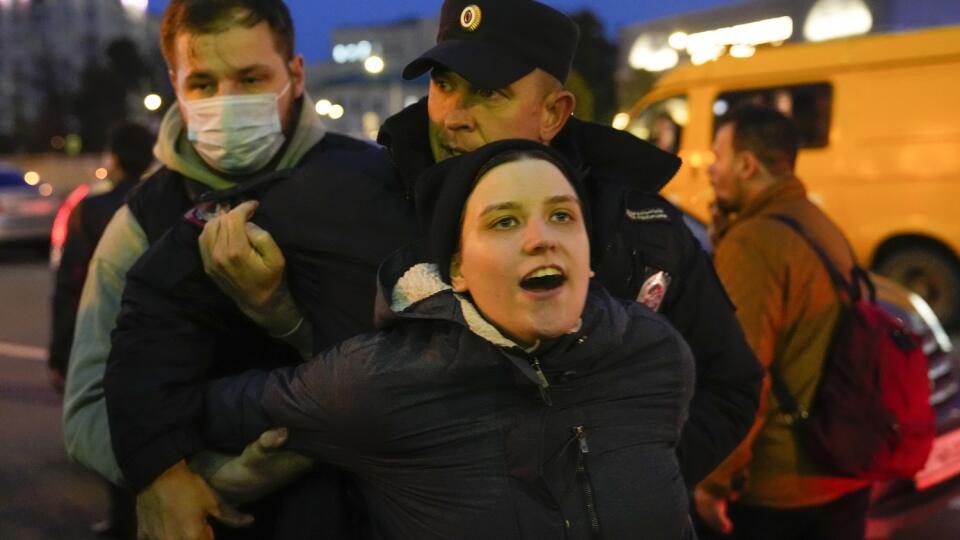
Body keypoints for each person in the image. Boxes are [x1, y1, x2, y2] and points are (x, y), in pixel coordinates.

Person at [104, 0, 761, 536]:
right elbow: (161, 297)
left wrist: (617, 479)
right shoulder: (343, 189)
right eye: (446, 84)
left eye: (491, 93)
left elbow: (729, 384)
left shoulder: (638, 230)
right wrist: (159, 469)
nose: (455, 116)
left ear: (555, 112)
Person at [203, 139, 697, 539]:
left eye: (563, 216)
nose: (541, 238)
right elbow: (216, 409)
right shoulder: (380, 380)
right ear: (457, 268)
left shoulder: (654, 353)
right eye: (504, 221)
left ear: (587, 254)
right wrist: (166, 477)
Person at [62, 1, 414, 538]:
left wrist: (281, 316)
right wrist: (190, 476)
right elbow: (87, 408)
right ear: (174, 84)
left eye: (251, 78)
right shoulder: (140, 220)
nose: (226, 103)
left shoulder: (372, 184)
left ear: (295, 75)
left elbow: (412, 368)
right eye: (203, 83)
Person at [693, 105, 871, 539]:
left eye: (718, 157)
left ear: (747, 164)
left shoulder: (755, 243)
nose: (710, 170)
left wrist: (713, 483)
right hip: (843, 466)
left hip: (781, 492)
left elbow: (743, 376)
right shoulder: (816, 223)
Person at [48, 121, 155, 538]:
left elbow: (70, 286)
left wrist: (61, 353)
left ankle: (122, 519)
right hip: (157, 336)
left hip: (107, 336)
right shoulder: (160, 202)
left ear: (113, 158)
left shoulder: (91, 210)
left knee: (113, 429)